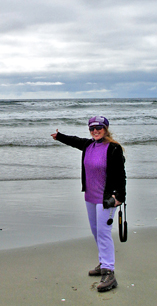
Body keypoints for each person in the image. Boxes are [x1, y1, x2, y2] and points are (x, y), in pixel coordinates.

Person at [51, 115, 126, 292]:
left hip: (107, 198)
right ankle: (103, 263)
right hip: (90, 196)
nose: (95, 131)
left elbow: (121, 175)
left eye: (98, 128)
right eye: (92, 128)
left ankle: (109, 273)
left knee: (103, 232)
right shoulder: (88, 145)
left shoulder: (113, 149)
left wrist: (120, 197)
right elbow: (75, 141)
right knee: (95, 230)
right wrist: (60, 136)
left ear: (105, 129)